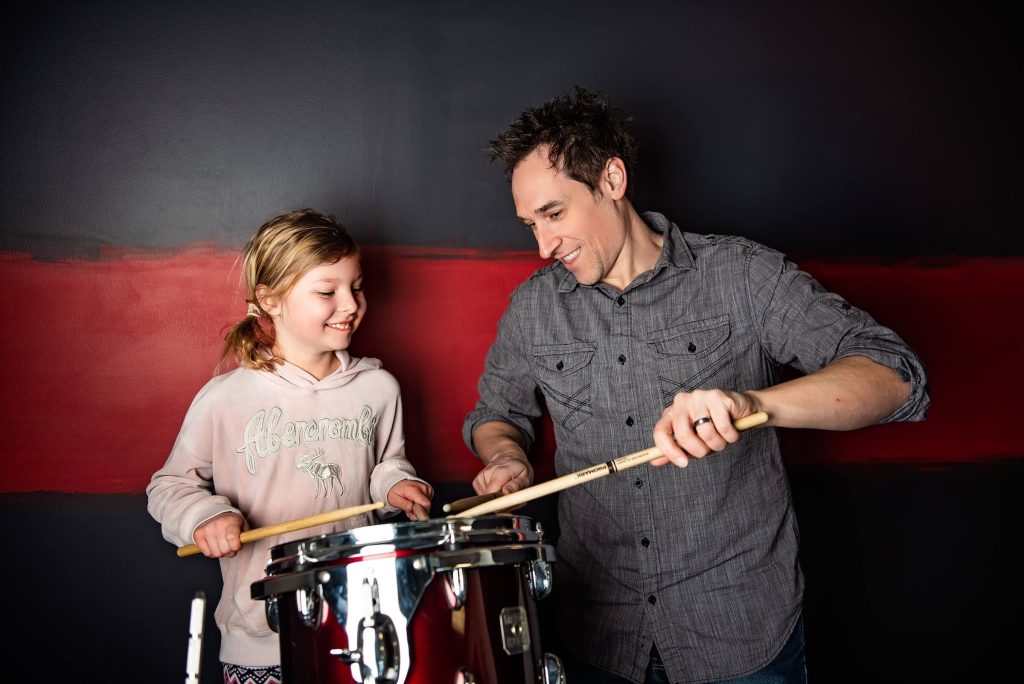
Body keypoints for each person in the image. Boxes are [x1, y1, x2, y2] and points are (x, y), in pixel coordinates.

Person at [463, 87, 930, 684]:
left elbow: (896, 375)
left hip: (739, 632)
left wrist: (752, 403)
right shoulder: (533, 309)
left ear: (611, 179)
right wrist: (506, 456)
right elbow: (497, 413)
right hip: (596, 638)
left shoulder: (740, 274)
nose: (543, 245)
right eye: (531, 224)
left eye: (554, 214)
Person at [148, 208, 434, 684]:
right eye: (327, 291)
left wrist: (397, 485)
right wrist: (204, 516)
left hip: (361, 627)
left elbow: (387, 462)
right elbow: (169, 486)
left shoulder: (379, 387)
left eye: (356, 287)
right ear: (270, 300)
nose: (351, 304)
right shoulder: (226, 399)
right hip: (263, 641)